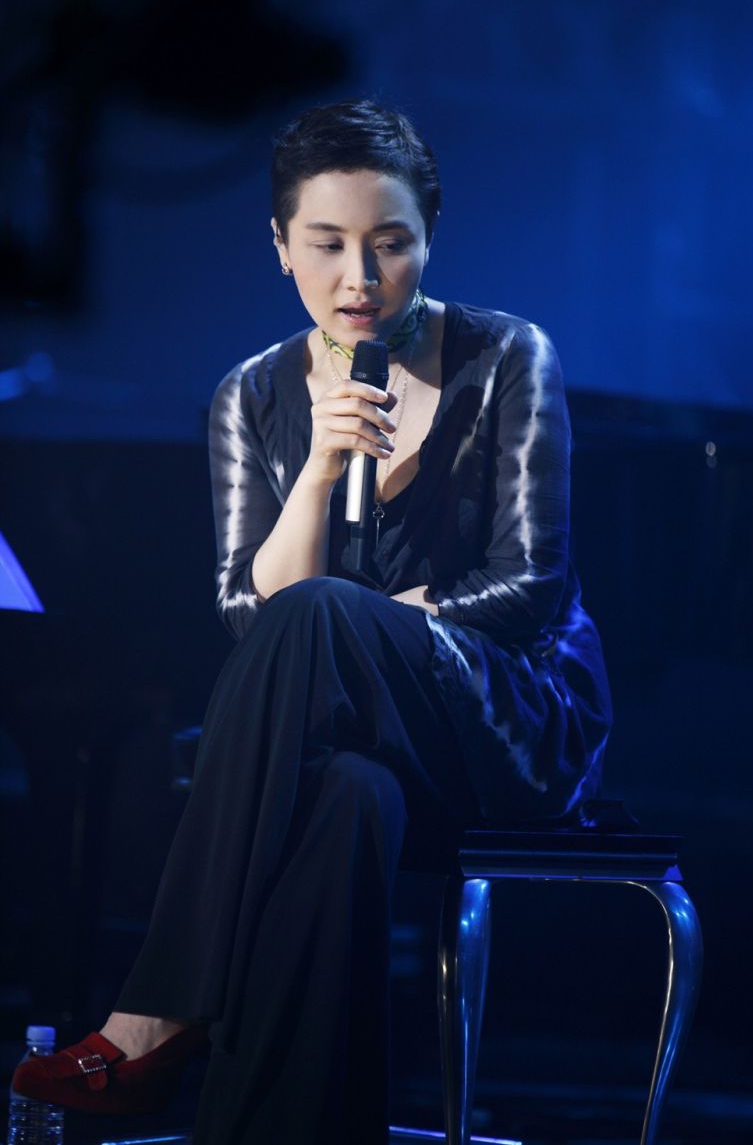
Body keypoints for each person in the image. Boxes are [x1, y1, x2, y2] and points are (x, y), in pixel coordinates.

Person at [13, 99, 612, 1144]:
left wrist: (385, 622)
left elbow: (531, 590)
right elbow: (251, 616)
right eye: (328, 244)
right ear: (281, 245)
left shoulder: (510, 357)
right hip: (328, 736)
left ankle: (153, 1018)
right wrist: (322, 470)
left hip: (504, 723)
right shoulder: (250, 394)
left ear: (430, 237)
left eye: (391, 244)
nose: (360, 278)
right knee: (346, 797)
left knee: (327, 614)